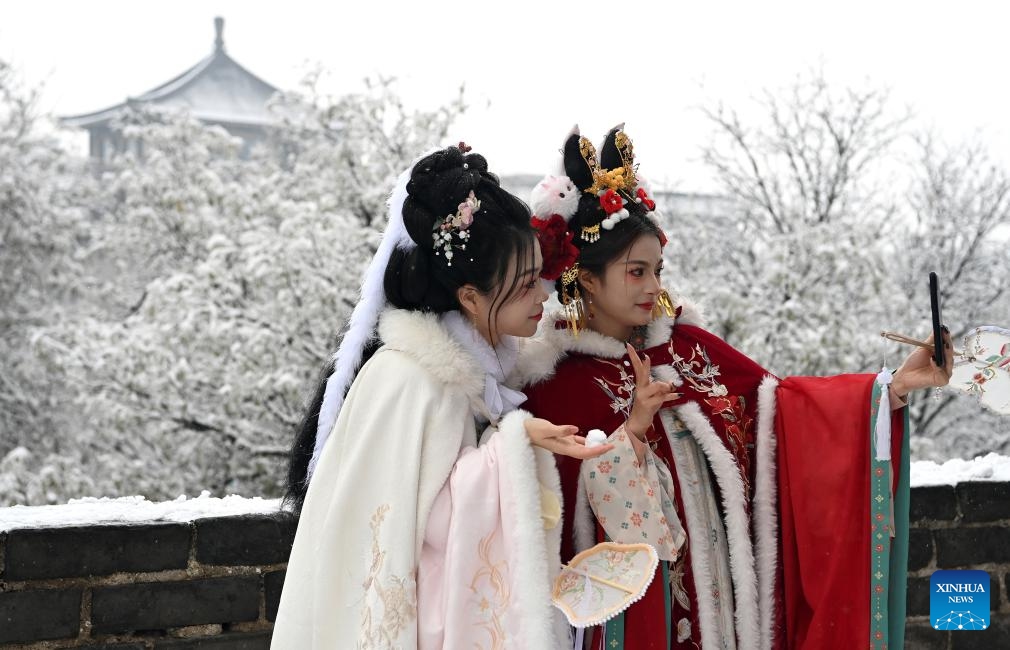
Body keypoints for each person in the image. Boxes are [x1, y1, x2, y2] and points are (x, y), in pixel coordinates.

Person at [515, 126, 953, 650]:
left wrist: (890, 388)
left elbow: (787, 412)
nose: (655, 287)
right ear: (586, 278)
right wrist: (631, 432)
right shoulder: (557, 387)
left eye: (657, 269)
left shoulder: (691, 350)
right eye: (636, 272)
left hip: (732, 620)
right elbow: (580, 532)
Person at [272, 144, 609, 649]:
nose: (544, 295)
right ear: (470, 298)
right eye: (523, 285)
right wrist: (515, 441)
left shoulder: (468, 373)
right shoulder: (414, 382)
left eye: (539, 277)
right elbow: (418, 530)